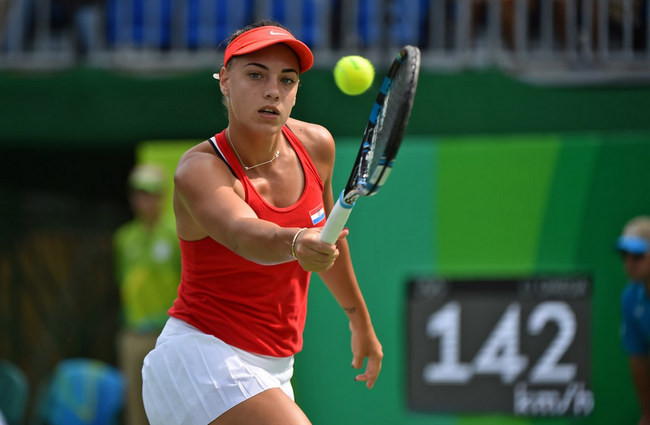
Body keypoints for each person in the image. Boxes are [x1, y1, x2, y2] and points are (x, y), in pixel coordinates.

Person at [141, 19, 383, 425]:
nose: (273, 90)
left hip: (275, 367)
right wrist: (296, 242)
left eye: (287, 80)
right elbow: (244, 234)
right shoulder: (199, 169)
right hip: (201, 356)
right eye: (256, 75)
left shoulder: (316, 145)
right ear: (224, 81)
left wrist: (360, 321)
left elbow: (329, 242)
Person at [113, 164, 181, 425]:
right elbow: (122, 282)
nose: (144, 200)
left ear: (162, 196)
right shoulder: (124, 237)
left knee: (171, 402)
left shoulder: (176, 234)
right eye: (139, 193)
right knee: (135, 404)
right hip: (133, 332)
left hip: (168, 333)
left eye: (150, 193)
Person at [617, 216, 650, 425]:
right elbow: (637, 358)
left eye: (637, 255)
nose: (629, 262)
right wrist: (648, 412)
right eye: (624, 255)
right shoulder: (631, 298)